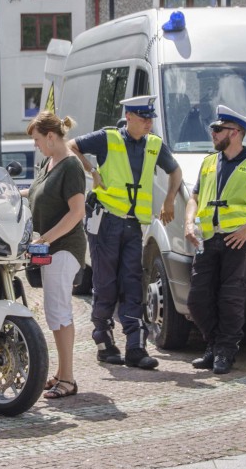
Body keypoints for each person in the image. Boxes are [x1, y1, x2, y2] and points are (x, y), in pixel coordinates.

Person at [68, 95, 183, 370]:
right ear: (129, 117)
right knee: (106, 284)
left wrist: (169, 200)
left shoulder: (154, 144)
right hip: (106, 222)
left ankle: (136, 347)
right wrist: (92, 171)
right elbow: (71, 146)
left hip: (133, 225)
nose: (149, 123)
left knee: (133, 283)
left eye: (150, 118)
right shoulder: (108, 138)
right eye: (144, 118)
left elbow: (175, 171)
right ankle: (104, 342)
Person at [184, 105, 246, 375]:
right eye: (213, 129)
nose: (212, 133)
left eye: (217, 129)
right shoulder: (208, 162)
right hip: (208, 240)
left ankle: (225, 351)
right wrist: (189, 222)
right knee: (197, 300)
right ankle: (214, 344)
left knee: (230, 300)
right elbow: (194, 197)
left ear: (235, 133)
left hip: (239, 244)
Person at [23, 111, 87, 399]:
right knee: (54, 311)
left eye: (37, 139)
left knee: (59, 311)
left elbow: (77, 212)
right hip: (50, 248)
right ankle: (62, 373)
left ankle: (69, 379)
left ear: (51, 137)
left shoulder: (70, 166)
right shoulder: (49, 162)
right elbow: (37, 194)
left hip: (63, 248)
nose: (35, 145)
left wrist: (45, 239)